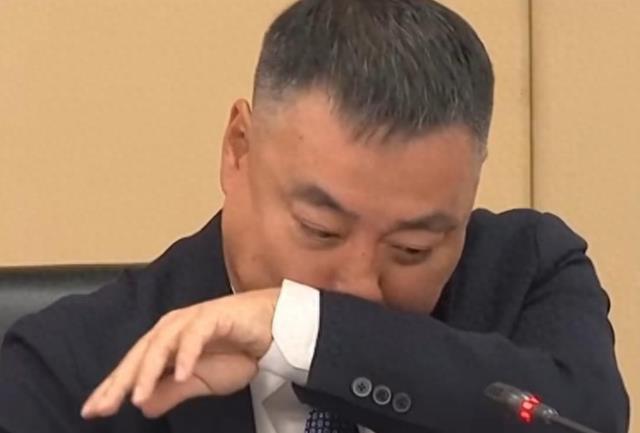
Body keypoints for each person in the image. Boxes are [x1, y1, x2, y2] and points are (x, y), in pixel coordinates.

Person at [0, 0, 629, 432]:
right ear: (239, 149)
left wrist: (305, 333)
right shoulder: (71, 368)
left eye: (411, 249)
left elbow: (587, 422)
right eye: (321, 230)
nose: (359, 288)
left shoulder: (524, 272)